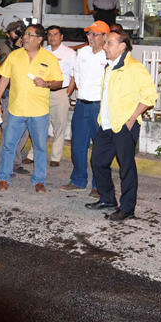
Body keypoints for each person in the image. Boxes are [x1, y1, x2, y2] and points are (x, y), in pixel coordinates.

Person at [85, 31, 157, 221]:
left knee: (126, 168)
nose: (105, 46)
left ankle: (127, 208)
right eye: (105, 43)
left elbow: (150, 95)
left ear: (122, 46)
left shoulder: (134, 67)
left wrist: (133, 117)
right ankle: (108, 198)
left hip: (125, 125)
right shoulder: (110, 67)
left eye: (109, 43)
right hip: (107, 124)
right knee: (98, 161)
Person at [0, 24, 63, 193]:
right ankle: (3, 177)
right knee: (9, 144)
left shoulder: (49, 58)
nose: (25, 37)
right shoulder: (14, 56)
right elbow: (3, 80)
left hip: (39, 112)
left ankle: (39, 180)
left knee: (39, 147)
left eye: (30, 35)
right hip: (16, 110)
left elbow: (59, 82)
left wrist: (46, 83)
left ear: (39, 40)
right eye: (25, 34)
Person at [60, 21, 109, 197]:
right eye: (89, 34)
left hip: (99, 106)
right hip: (82, 104)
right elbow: (77, 74)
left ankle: (98, 185)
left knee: (100, 148)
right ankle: (78, 180)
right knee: (77, 145)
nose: (90, 37)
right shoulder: (82, 52)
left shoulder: (108, 56)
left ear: (105, 37)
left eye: (95, 34)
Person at [24, 26, 75, 168]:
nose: (52, 37)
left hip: (60, 93)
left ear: (61, 37)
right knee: (39, 125)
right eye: (50, 35)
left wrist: (68, 93)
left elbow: (74, 76)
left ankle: (55, 157)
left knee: (59, 126)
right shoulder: (43, 51)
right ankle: (32, 154)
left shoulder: (69, 53)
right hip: (42, 92)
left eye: (55, 34)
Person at [0, 21, 28, 174]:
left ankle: (15, 163)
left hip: (23, 95)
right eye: (16, 32)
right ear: (8, 34)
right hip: (9, 94)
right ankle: (3, 164)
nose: (20, 35)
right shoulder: (5, 50)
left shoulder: (23, 49)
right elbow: (8, 71)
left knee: (23, 132)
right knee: (9, 131)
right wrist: (19, 47)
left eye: (22, 32)